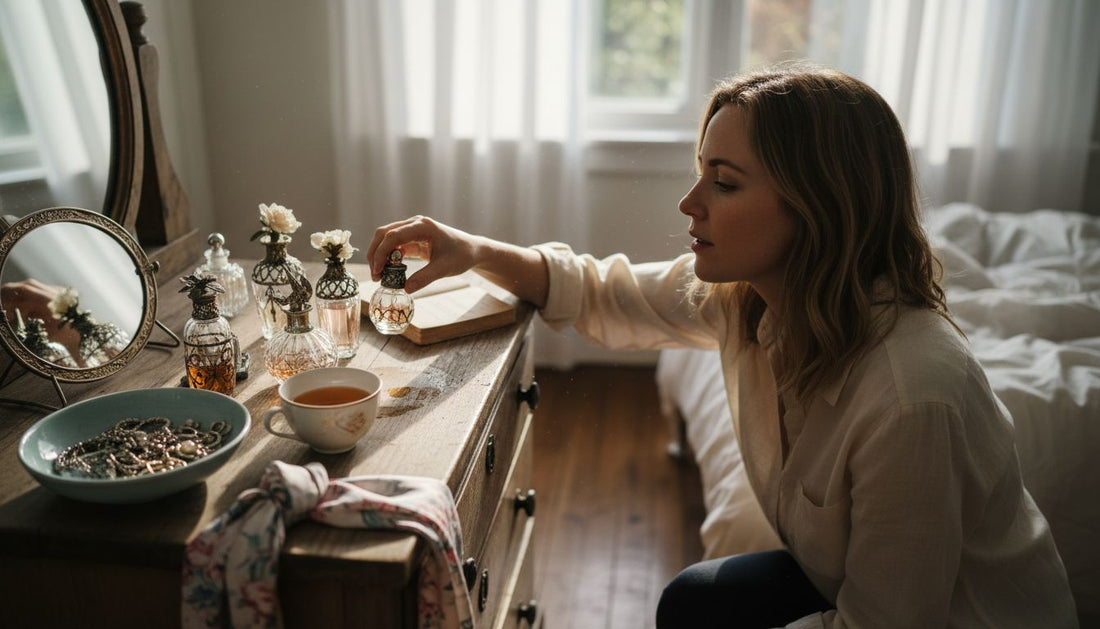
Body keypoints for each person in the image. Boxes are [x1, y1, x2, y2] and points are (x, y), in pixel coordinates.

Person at [366, 64, 1078, 628]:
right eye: (702, 169)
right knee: (693, 602)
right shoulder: (752, 301)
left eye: (724, 182)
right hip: (848, 580)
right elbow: (604, 292)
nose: (690, 202)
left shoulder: (914, 394)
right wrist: (470, 249)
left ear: (819, 204)